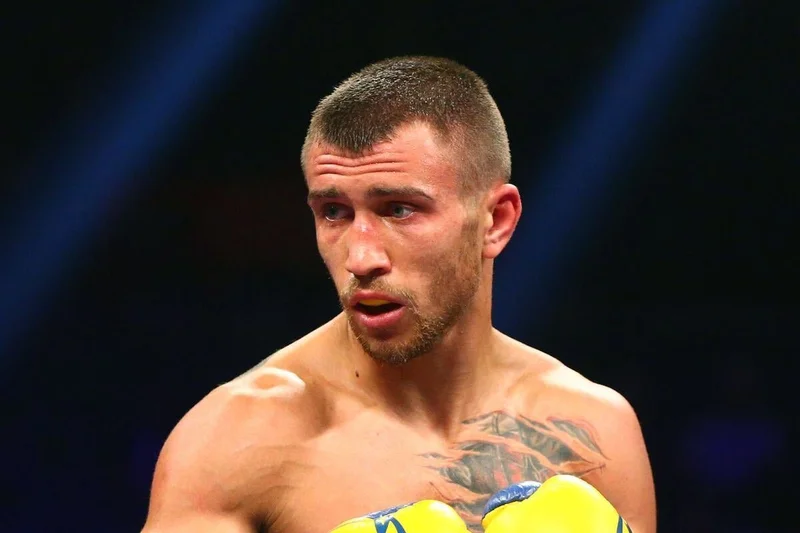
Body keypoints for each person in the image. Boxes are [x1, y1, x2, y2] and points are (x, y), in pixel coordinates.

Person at [140, 56, 657, 533]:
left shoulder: (595, 433)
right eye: (334, 213)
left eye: (399, 209)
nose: (361, 258)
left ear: (495, 221)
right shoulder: (236, 441)